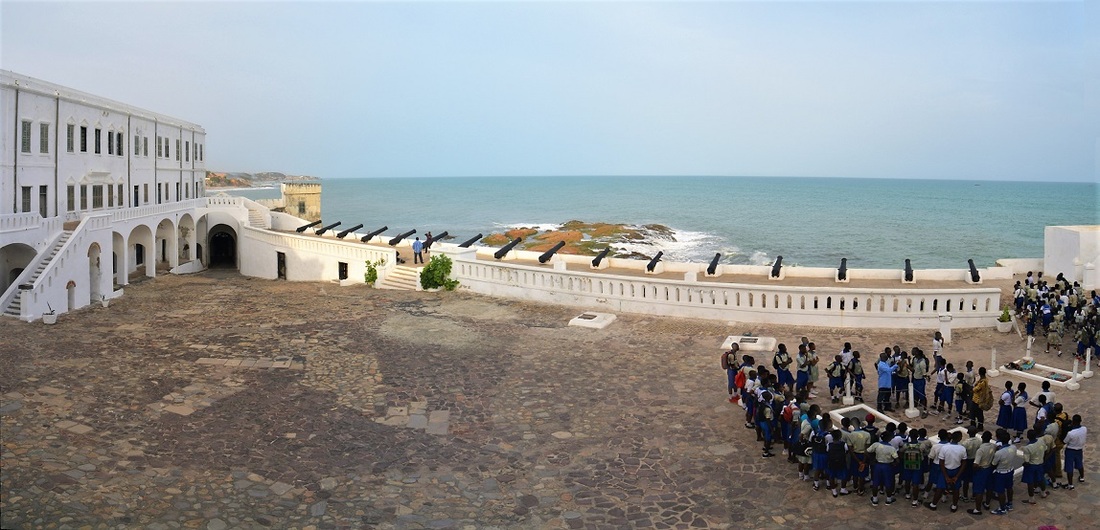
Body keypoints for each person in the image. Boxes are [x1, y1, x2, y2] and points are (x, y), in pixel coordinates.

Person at [990, 429, 1022, 515]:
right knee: (1009, 487)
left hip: (1001, 473)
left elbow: (994, 464)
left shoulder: (999, 453)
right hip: (1010, 470)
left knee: (1000, 491)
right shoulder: (1014, 447)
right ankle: (1010, 503)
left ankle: (1002, 508)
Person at [868, 431, 899, 506]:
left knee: (875, 482)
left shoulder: (876, 445)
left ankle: (875, 499)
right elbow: (897, 459)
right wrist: (894, 464)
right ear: (889, 439)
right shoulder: (891, 448)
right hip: (887, 466)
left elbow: (867, 451)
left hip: (878, 465)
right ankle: (888, 499)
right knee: (888, 482)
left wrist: (872, 460)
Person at [969, 431, 996, 515]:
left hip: (981, 470)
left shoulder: (980, 450)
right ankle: (987, 504)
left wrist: (975, 468)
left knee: (979, 491)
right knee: (989, 488)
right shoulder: (993, 446)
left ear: (982, 438)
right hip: (989, 469)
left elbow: (975, 464)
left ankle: (978, 509)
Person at [1062, 414, 1087, 489]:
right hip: (1079, 449)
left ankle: (1070, 485)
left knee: (1069, 467)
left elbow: (1065, 441)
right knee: (1080, 463)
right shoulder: (1084, 429)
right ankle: (1082, 477)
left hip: (1071, 450)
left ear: (1073, 422)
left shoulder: (1071, 433)